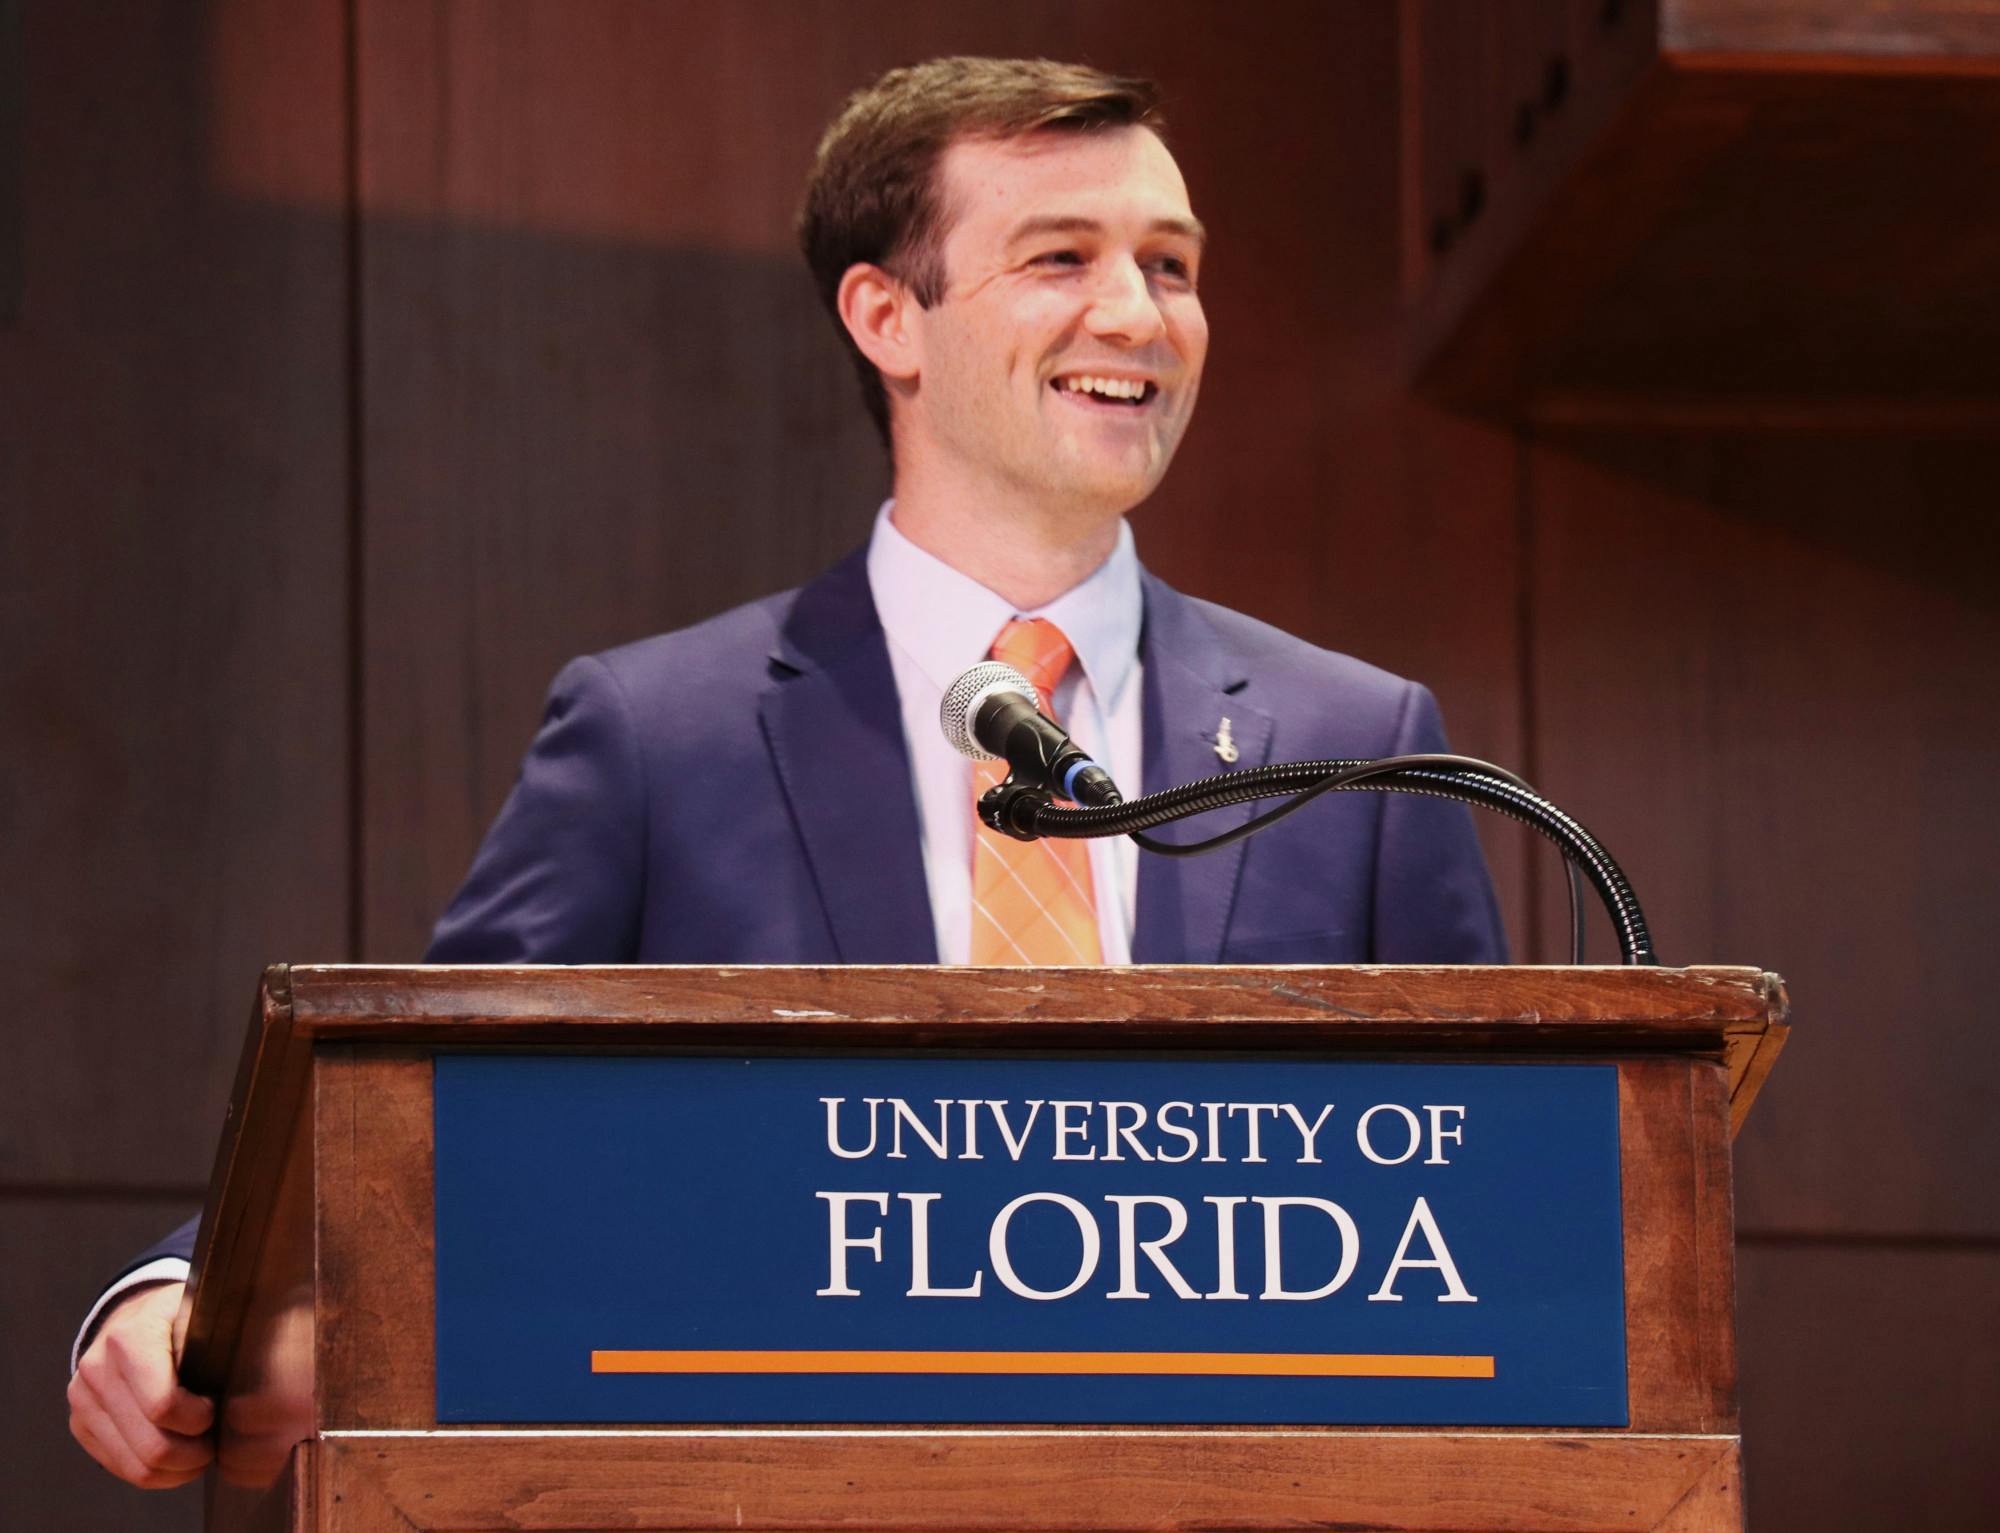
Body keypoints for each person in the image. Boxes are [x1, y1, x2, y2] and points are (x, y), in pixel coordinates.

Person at [68, 55, 1506, 1491]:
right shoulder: (658, 733)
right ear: (889, 315)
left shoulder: (1362, 741)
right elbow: (422, 1130)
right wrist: (175, 1300)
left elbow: (1501, 1202)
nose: (1138, 313)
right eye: (1062, 255)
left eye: (1172, 265)